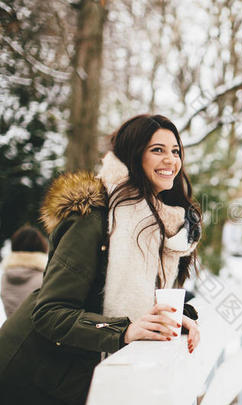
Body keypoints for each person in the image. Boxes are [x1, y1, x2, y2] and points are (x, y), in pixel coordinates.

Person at [0, 115, 202, 405]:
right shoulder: (93, 218)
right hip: (32, 378)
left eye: (175, 151)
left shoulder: (163, 227)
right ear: (134, 156)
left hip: (75, 379)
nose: (170, 159)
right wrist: (125, 331)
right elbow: (49, 312)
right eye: (157, 150)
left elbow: (136, 305)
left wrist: (169, 320)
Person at [1, 225, 48, 318]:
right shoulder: (45, 278)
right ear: (42, 247)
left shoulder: (5, 277)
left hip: (11, 330)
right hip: (36, 331)